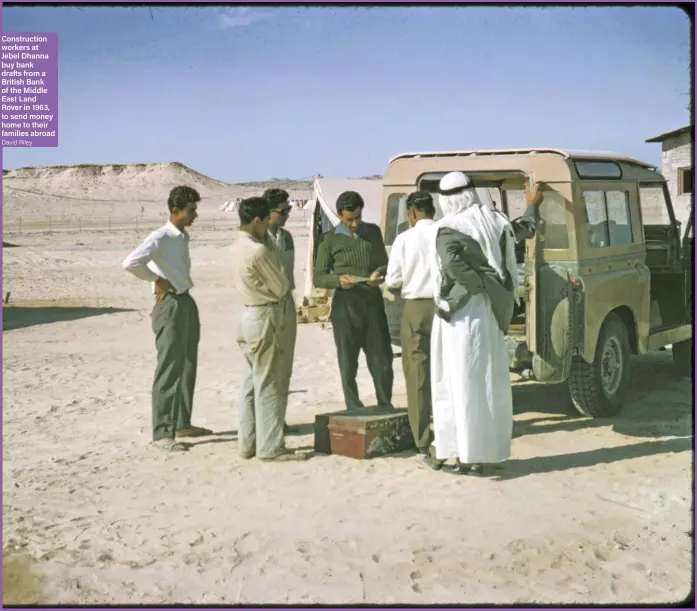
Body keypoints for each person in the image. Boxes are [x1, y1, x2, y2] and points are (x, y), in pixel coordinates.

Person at [427, 171, 520, 475]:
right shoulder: (495, 220)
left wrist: (475, 283)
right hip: (489, 312)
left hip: (461, 315)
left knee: (458, 382)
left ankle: (464, 455)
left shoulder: (447, 228)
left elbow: (451, 264)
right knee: (484, 382)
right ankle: (478, 454)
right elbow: (522, 235)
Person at [122, 185, 212, 452]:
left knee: (187, 363)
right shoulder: (160, 237)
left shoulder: (182, 237)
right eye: (191, 211)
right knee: (169, 368)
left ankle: (182, 423)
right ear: (175, 211)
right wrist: (157, 279)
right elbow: (131, 262)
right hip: (170, 305)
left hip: (185, 300)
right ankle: (162, 433)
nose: (195, 215)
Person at [230, 196, 306, 462]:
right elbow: (281, 286)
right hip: (266, 316)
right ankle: (271, 447)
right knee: (270, 383)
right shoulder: (258, 250)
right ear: (257, 220)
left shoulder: (238, 245)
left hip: (250, 315)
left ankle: (247, 443)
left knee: (251, 383)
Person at [314, 191, 394, 412]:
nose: (355, 223)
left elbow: (384, 263)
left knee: (382, 360)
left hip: (372, 302)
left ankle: (385, 405)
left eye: (358, 217)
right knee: (348, 362)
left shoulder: (373, 232)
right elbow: (319, 276)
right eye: (349, 219)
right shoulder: (329, 240)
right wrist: (338, 280)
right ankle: (354, 408)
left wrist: (378, 273)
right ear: (339, 215)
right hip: (345, 304)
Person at [384, 191, 436, 453]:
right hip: (446, 308)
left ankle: (422, 437)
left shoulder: (404, 239)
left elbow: (393, 280)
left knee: (417, 374)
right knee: (445, 371)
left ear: (412, 214)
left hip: (415, 307)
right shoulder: (445, 233)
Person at [263, 188, 298, 435]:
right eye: (282, 211)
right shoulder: (258, 239)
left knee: (285, 365)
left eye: (289, 210)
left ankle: (279, 418)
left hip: (287, 302)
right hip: (267, 305)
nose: (286, 215)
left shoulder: (286, 238)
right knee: (267, 367)